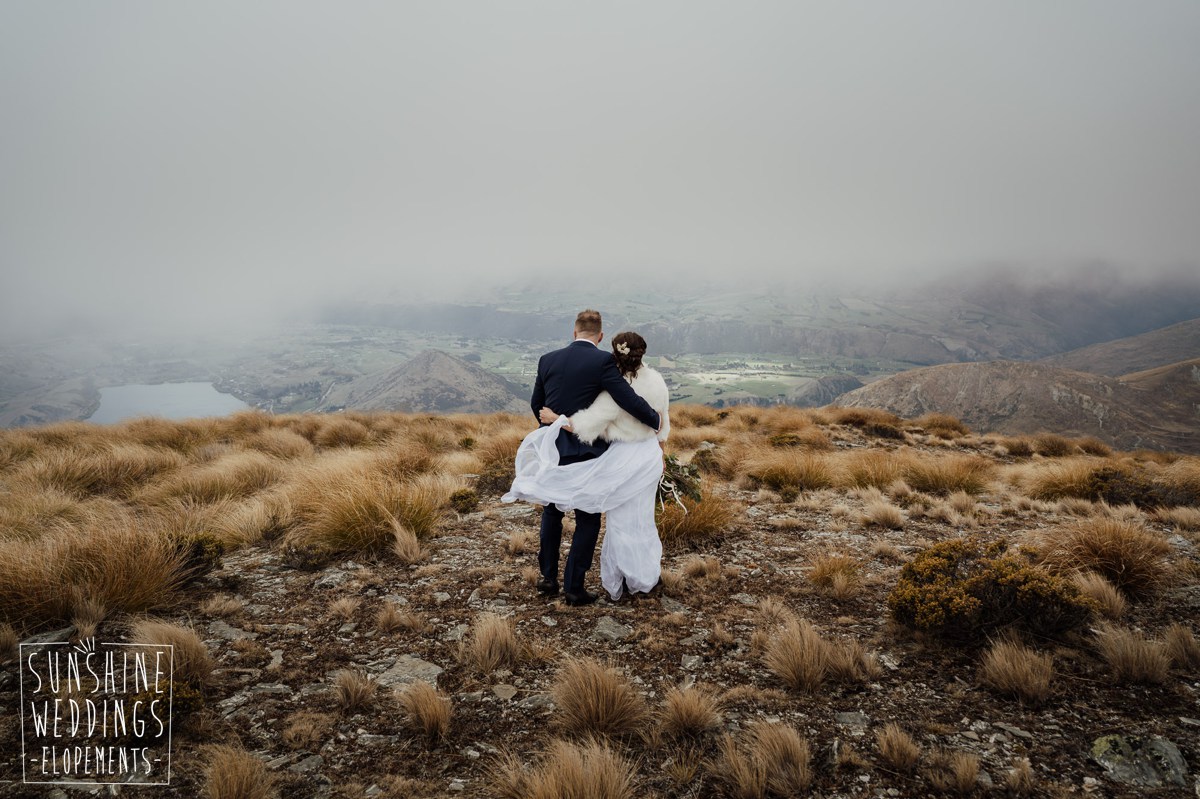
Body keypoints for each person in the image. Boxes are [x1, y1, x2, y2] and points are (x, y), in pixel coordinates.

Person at [504, 310, 661, 606]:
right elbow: (624, 398)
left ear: (574, 332)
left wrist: (552, 424)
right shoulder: (602, 361)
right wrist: (653, 418)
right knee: (588, 517)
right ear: (600, 336)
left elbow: (537, 404)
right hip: (588, 450)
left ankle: (548, 578)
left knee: (552, 512)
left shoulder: (547, 359)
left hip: (553, 449)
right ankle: (574, 587)